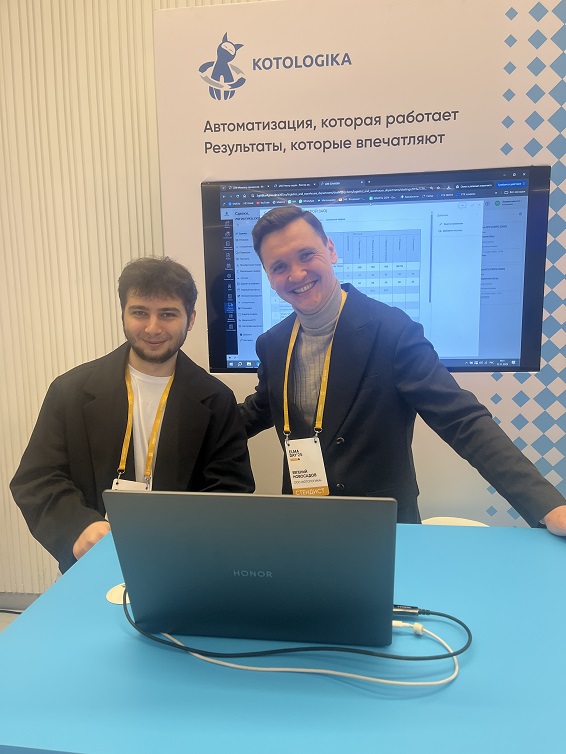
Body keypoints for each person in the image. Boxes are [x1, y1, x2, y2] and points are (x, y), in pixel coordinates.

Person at [239, 206, 566, 535]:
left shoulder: (392, 330)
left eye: (306, 255)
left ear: (331, 249)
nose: (296, 275)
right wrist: (207, 417)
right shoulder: (273, 342)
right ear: (268, 276)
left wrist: (546, 504)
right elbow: (261, 409)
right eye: (279, 266)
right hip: (304, 518)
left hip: (382, 525)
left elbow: (461, 418)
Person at [11, 257, 255, 572]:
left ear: (191, 318)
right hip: (94, 561)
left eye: (168, 314)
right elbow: (37, 478)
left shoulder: (217, 400)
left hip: (182, 563)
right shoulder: (69, 391)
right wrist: (78, 527)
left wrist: (182, 539)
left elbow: (231, 491)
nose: (153, 328)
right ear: (123, 314)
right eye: (140, 312)